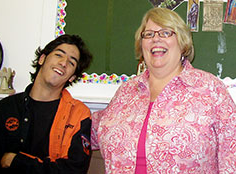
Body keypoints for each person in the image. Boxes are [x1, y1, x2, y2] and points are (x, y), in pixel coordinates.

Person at [91, 7, 236, 173]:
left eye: (165, 33)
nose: (156, 39)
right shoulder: (126, 91)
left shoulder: (210, 88)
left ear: (182, 42)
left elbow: (232, 154)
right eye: (149, 34)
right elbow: (95, 129)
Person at [0, 34, 93, 174]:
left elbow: (74, 169)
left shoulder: (79, 114)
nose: (63, 63)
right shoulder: (4, 108)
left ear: (72, 77)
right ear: (42, 59)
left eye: (72, 62)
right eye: (59, 55)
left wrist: (16, 161)